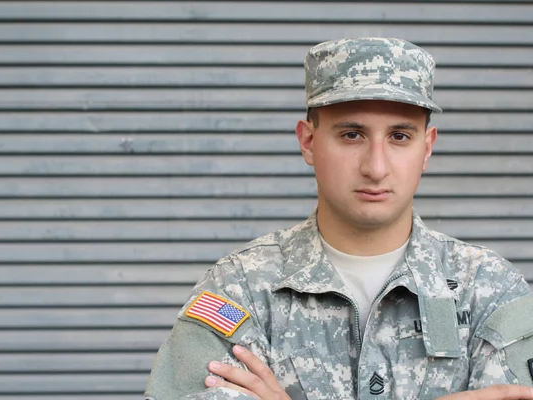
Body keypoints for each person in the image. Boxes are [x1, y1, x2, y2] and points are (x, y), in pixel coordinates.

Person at [144, 37, 533, 399]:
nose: (376, 167)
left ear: (427, 148)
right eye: (352, 135)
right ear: (308, 142)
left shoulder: (489, 290)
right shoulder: (242, 288)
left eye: (399, 136)